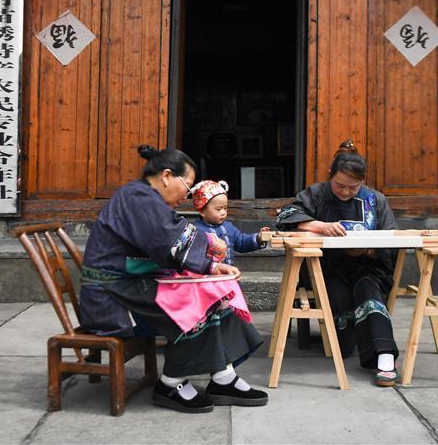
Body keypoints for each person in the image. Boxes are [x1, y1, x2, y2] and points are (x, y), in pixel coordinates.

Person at [79, 144, 268, 413]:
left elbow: (168, 238)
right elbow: (169, 238)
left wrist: (212, 267)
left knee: (215, 297)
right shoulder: (138, 197)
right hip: (111, 290)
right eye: (187, 186)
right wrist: (210, 246)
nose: (187, 195)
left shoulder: (143, 197)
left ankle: (223, 376)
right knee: (195, 305)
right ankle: (170, 382)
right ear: (167, 176)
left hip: (129, 280)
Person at [275, 140, 400, 387]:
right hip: (325, 267)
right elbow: (285, 217)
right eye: (339, 185)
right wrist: (321, 226)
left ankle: (385, 357)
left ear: (362, 181)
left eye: (353, 187)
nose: (345, 192)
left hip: (367, 265)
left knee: (369, 292)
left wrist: (368, 249)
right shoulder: (316, 193)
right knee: (342, 338)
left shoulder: (375, 200)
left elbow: (391, 238)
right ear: (330, 175)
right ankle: (347, 339)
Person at [191, 179, 269, 266]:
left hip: (228, 272)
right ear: (202, 212)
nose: (223, 212)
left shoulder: (228, 227)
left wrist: (258, 238)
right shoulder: (196, 231)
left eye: (225, 208)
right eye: (218, 209)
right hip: (207, 273)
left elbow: (241, 241)